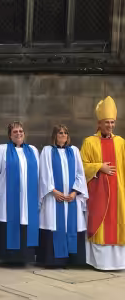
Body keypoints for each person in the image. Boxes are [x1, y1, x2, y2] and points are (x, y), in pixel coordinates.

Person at [80, 96, 125, 270]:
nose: (110, 126)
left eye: (112, 122)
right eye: (107, 122)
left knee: (118, 222)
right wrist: (99, 167)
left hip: (118, 192)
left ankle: (118, 262)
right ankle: (99, 263)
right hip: (98, 192)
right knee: (99, 223)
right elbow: (81, 166)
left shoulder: (121, 142)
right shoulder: (89, 142)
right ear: (99, 123)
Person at [37, 125, 88, 268]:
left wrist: (74, 192)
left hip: (71, 199)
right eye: (60, 133)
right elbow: (44, 174)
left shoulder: (74, 151)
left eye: (66, 133)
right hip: (54, 198)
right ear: (54, 135)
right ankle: (53, 260)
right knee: (53, 223)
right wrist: (53, 191)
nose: (63, 135)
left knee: (72, 225)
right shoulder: (47, 151)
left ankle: (73, 260)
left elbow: (80, 174)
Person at [0, 121, 39, 264]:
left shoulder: (33, 150)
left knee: (25, 221)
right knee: (8, 221)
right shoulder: (1, 149)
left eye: (21, 131)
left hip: (27, 197)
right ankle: (7, 256)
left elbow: (38, 173)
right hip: (6, 196)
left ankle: (24, 256)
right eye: (15, 132)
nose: (19, 134)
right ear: (10, 135)